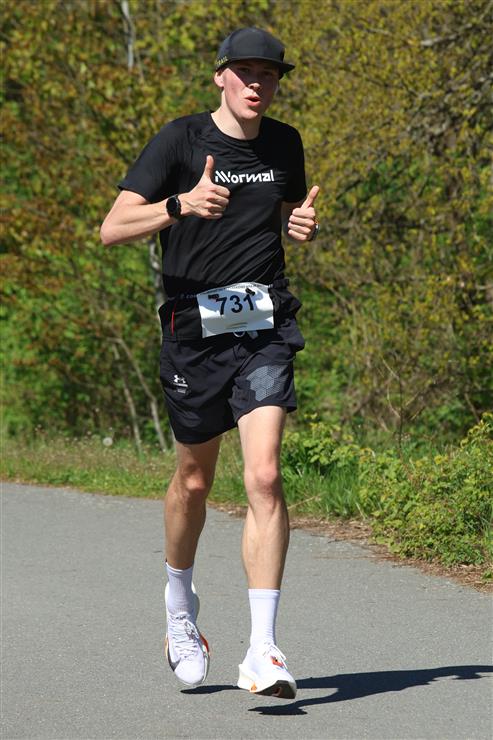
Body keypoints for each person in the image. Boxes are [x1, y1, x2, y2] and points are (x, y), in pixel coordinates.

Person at [100, 26, 319, 699]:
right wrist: (179, 205)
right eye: (245, 71)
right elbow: (111, 228)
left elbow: (284, 213)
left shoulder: (284, 144)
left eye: (269, 74)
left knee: (265, 475)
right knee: (194, 482)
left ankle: (262, 650)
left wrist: (300, 227)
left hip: (264, 327)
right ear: (220, 75)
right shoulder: (179, 141)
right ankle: (179, 606)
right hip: (193, 332)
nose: (257, 83)